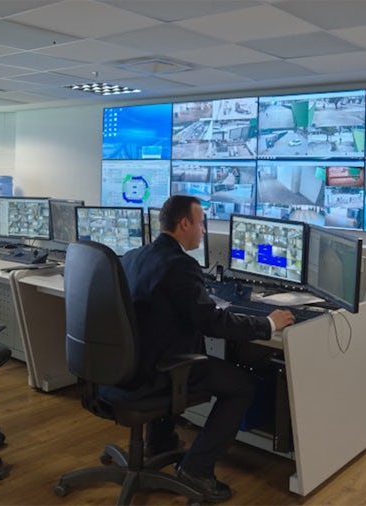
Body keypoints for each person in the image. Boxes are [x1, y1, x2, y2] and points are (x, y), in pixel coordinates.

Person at [119, 195, 295, 502]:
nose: (203, 231)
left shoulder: (134, 255)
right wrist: (268, 325)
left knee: (197, 356)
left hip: (130, 365)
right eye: (201, 223)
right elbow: (213, 323)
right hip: (160, 369)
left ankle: (159, 443)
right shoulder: (180, 266)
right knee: (242, 385)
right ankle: (197, 469)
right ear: (184, 223)